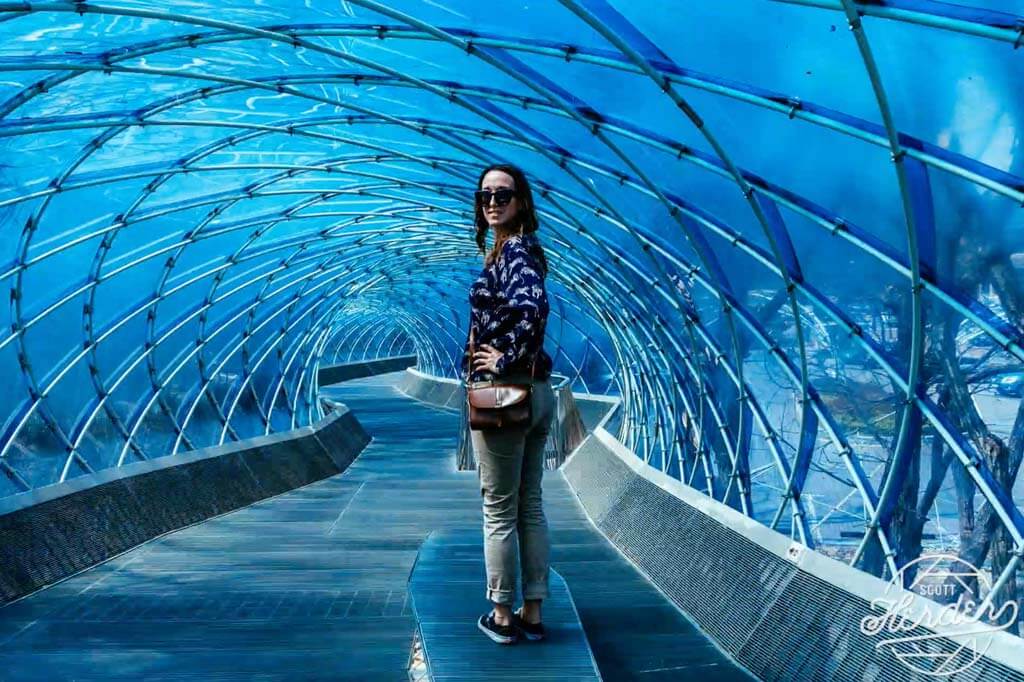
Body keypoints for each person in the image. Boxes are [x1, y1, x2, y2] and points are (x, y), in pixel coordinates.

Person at [461, 163, 555, 645]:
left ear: (521, 201)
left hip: (506, 396)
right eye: (485, 196)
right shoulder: (522, 251)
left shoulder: (514, 251)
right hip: (537, 394)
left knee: (499, 510)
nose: (492, 202)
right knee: (529, 506)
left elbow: (534, 306)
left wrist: (503, 358)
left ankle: (501, 615)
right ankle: (532, 612)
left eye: (503, 194)